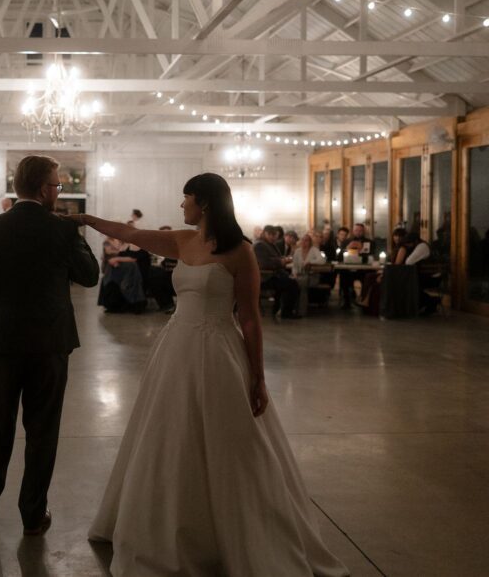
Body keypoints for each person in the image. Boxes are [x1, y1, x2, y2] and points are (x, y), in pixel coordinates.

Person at [70, 173, 347, 576]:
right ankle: (171, 525)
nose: (181, 206)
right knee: (169, 435)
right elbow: (128, 231)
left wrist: (258, 377)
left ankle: (231, 532)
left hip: (219, 350)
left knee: (226, 441)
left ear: (204, 203)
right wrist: (85, 219)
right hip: (176, 348)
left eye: (186, 199)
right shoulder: (183, 242)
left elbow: (251, 320)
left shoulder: (240, 252)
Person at [0, 155, 99, 536]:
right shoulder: (62, 229)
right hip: (50, 345)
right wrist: (76, 233)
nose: (59, 190)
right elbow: (89, 277)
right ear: (43, 189)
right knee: (43, 431)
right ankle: (33, 515)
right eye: (57, 185)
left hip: (0, 343)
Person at [254, 225, 301, 319]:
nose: (272, 237)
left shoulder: (270, 244)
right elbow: (263, 263)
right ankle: (286, 312)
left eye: (274, 235)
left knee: (293, 282)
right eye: (270, 234)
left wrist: (282, 260)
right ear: (265, 233)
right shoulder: (260, 245)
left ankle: (281, 310)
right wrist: (281, 261)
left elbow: (275, 258)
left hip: (275, 275)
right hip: (266, 277)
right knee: (292, 285)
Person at [292, 232, 326, 317]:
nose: (304, 242)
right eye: (303, 240)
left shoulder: (314, 250)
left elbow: (322, 260)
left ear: (310, 242)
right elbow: (294, 266)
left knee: (302, 284)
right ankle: (291, 308)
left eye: (306, 241)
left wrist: (310, 262)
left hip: (312, 276)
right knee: (293, 283)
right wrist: (295, 273)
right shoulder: (297, 251)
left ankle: (300, 311)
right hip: (299, 275)